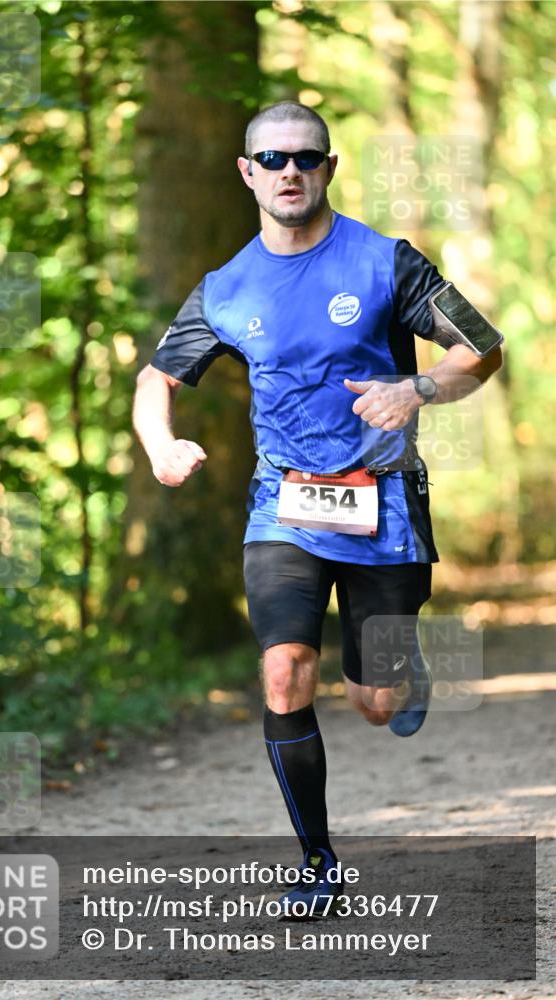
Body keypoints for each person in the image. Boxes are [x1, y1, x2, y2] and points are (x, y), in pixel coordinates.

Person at [132, 101, 503, 917]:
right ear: (246, 172)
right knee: (283, 671)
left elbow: (480, 345)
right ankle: (318, 862)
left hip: (383, 509)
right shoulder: (226, 288)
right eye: (271, 159)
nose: (288, 171)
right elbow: (156, 379)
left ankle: (398, 673)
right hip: (284, 507)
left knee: (374, 705)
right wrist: (161, 444)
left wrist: (417, 388)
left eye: (305, 157)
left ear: (328, 167)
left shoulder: (384, 263)